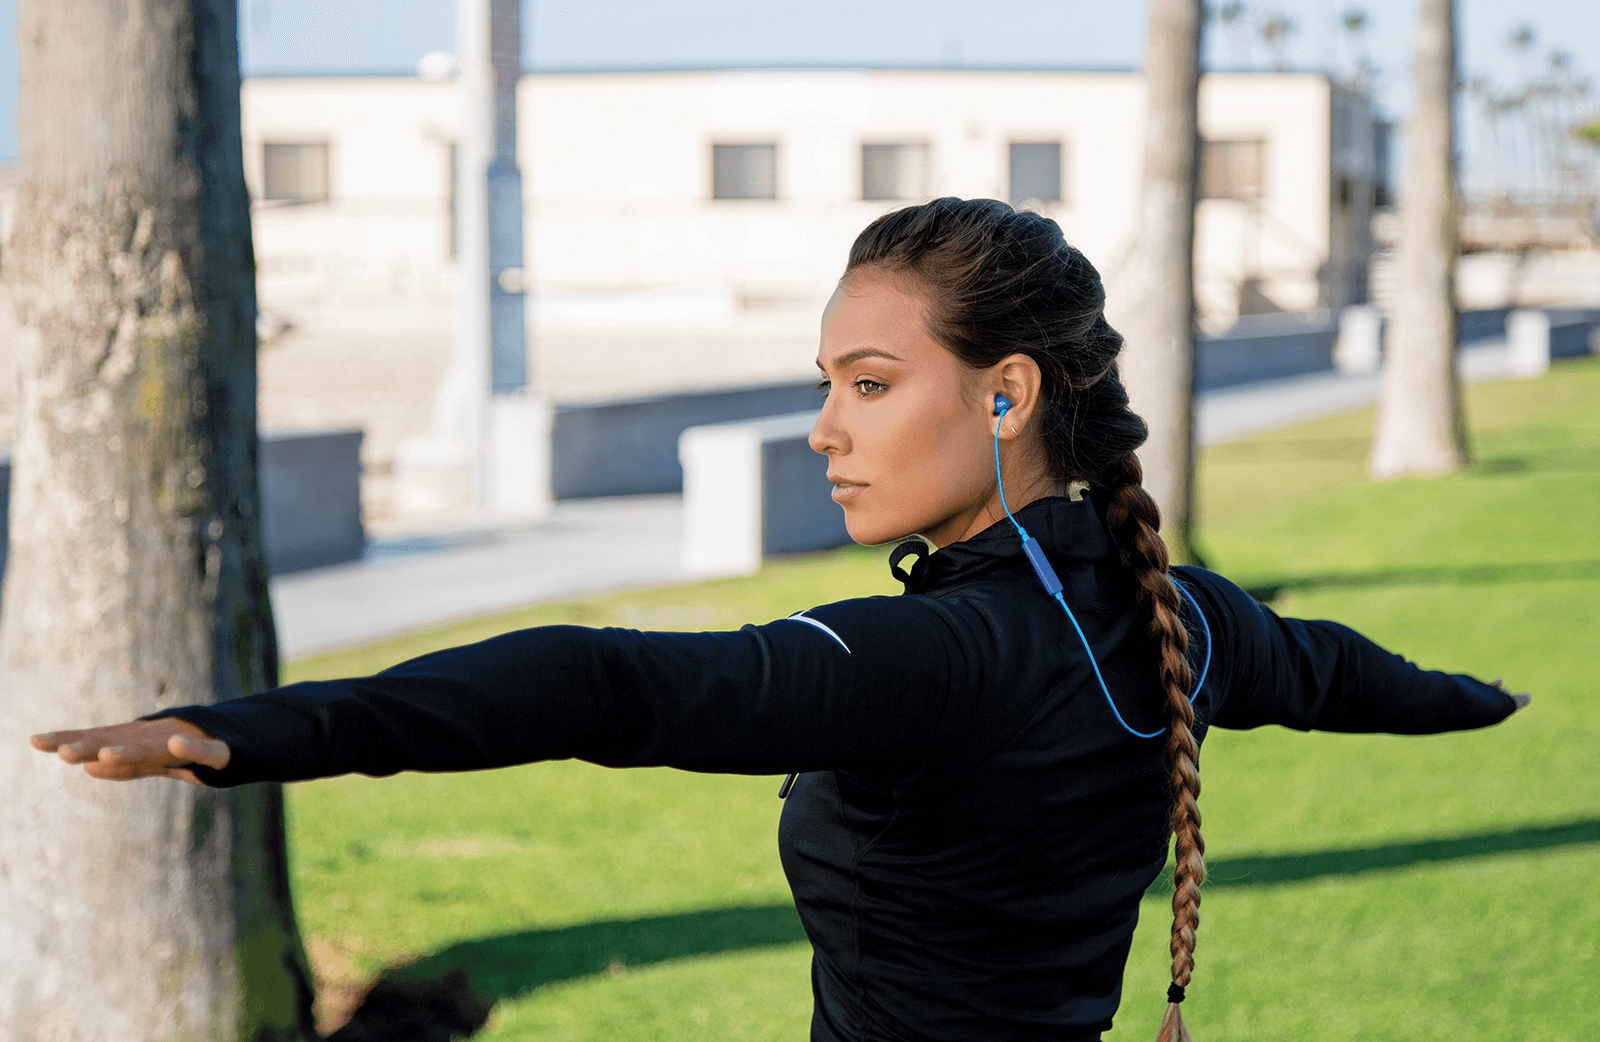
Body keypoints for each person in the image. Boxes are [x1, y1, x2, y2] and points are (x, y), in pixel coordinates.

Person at [31, 198, 1527, 1042]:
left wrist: (247, 732)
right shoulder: (1176, 616)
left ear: (1006, 393)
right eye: (828, 385)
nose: (826, 429)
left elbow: (601, 685)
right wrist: (1475, 698)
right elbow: (1347, 674)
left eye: (870, 384)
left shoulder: (933, 660)